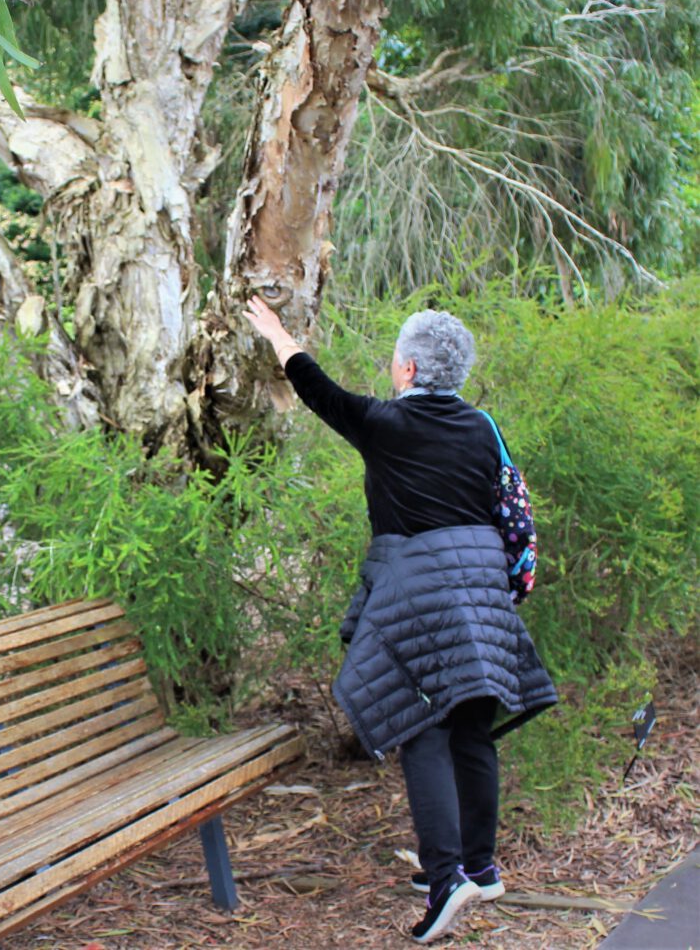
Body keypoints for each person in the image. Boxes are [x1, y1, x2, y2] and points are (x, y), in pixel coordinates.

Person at [242, 296, 557, 945]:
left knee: (423, 729)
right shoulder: (482, 428)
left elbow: (316, 389)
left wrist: (277, 333)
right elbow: (510, 513)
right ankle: (481, 865)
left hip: (422, 593)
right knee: (473, 730)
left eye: (395, 358)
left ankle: (447, 882)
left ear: (409, 369)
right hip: (482, 592)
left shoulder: (384, 424)